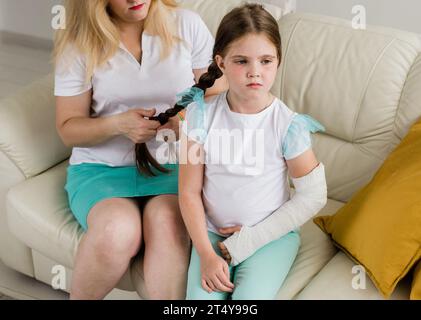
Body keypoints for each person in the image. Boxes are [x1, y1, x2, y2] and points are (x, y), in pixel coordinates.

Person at [53, 0, 226, 300]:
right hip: (102, 170)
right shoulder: (79, 42)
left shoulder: (187, 25)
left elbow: (220, 95)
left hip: (175, 166)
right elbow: (68, 128)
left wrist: (185, 120)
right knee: (115, 231)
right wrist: (118, 125)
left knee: (169, 223)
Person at [178, 3, 328, 300]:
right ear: (220, 63)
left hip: (270, 239)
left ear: (278, 62)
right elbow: (188, 192)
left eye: (265, 61)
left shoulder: (288, 126)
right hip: (211, 234)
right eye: (242, 61)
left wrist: (251, 239)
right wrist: (206, 254)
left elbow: (313, 195)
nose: (254, 72)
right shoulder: (199, 117)